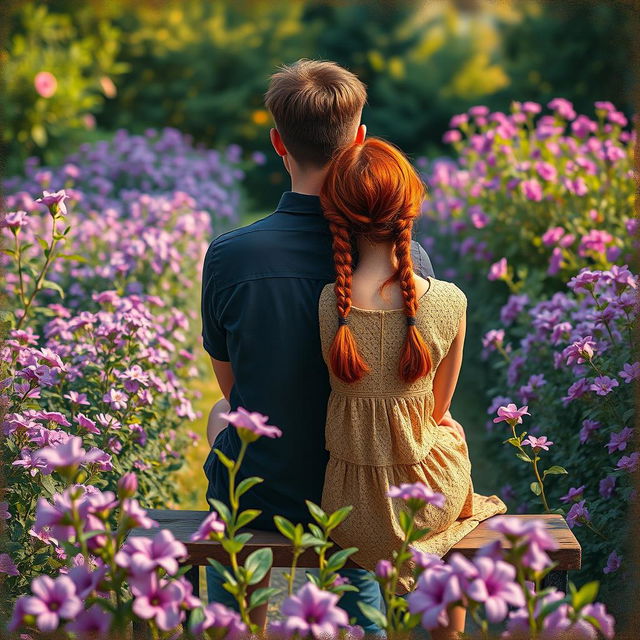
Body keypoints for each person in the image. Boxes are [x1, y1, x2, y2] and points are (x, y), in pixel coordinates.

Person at [201, 59, 444, 631]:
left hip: (267, 494)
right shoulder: (408, 264)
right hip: (367, 497)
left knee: (222, 414)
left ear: (277, 142)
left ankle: (234, 619)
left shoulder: (231, 256)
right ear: (361, 138)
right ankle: (365, 616)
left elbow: (237, 392)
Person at [318, 137, 507, 638]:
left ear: (335, 214)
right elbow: (439, 410)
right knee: (452, 439)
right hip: (425, 500)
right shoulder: (448, 300)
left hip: (348, 503)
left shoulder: (326, 304)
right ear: (411, 206)